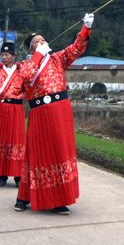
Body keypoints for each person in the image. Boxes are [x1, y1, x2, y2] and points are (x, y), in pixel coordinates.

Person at [13, 14, 94, 214]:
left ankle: (60, 198)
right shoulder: (26, 64)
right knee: (36, 152)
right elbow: (25, 77)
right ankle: (25, 195)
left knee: (59, 151)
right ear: (31, 49)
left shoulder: (58, 59)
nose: (42, 42)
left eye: (43, 40)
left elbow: (76, 49)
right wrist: (38, 55)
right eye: (37, 42)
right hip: (40, 112)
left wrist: (86, 28)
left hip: (60, 110)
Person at [0, 42, 26, 187]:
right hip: (0, 110)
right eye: (2, 55)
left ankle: (18, 176)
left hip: (16, 109)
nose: (4, 57)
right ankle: (0, 176)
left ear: (13, 56)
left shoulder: (21, 72)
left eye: (6, 55)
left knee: (16, 141)